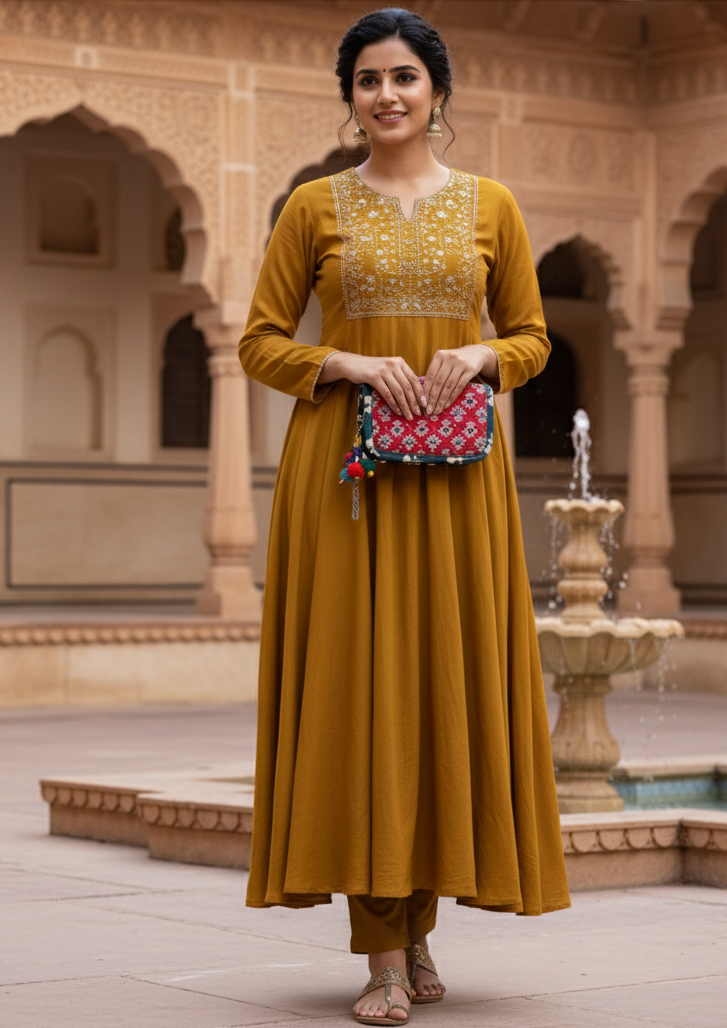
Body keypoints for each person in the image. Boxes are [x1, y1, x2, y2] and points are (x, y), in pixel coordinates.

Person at [238, 7, 570, 1025]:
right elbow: (258, 341)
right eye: (368, 79)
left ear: (438, 93)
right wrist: (340, 359)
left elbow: (531, 338)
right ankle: (381, 954)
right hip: (344, 480)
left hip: (458, 484)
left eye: (404, 78)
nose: (386, 95)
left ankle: (418, 921)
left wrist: (480, 355)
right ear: (350, 96)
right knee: (356, 696)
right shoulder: (313, 209)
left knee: (436, 692)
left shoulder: (492, 207)